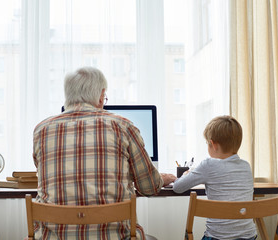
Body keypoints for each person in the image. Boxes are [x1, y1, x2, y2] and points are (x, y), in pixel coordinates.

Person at [33, 66, 176, 240]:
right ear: (101, 96)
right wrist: (161, 178)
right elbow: (149, 188)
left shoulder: (42, 130)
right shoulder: (123, 126)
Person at [173, 116, 257, 240]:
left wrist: (185, 175)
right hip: (249, 237)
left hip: (217, 238)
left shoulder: (208, 165)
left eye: (207, 143)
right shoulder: (246, 166)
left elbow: (177, 187)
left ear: (213, 144)